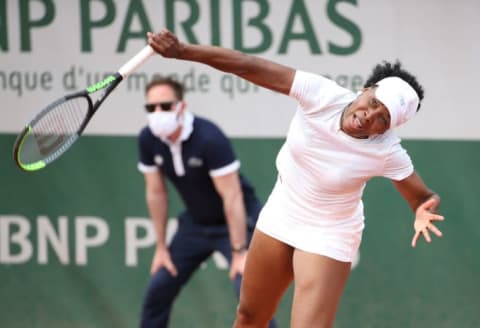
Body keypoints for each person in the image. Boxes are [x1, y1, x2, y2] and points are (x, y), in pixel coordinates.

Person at [146, 29, 446, 328]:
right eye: (374, 102)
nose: (371, 115)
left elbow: (421, 196)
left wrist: (422, 208)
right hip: (282, 214)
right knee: (250, 317)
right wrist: (183, 51)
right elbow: (247, 64)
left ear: (388, 129)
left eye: (384, 118)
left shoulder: (388, 151)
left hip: (329, 233)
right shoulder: (321, 94)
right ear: (366, 88)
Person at [137, 76, 277, 328]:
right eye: (151, 108)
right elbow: (156, 193)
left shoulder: (209, 138)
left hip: (238, 222)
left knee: (250, 298)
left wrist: (239, 251)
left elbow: (232, 196)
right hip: (195, 224)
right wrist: (161, 247)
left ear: (181, 106)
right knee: (158, 288)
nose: (158, 113)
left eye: (165, 106)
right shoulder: (148, 139)